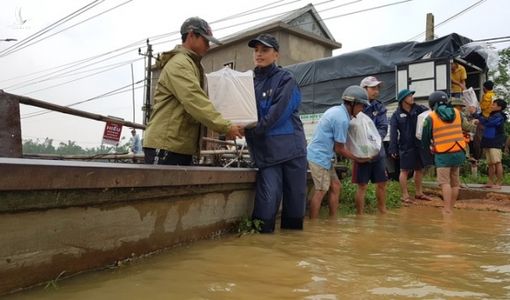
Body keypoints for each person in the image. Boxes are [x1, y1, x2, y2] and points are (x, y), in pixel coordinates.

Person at [143, 17, 242, 165]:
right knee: (164, 188)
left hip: (178, 145)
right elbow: (195, 100)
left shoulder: (191, 64)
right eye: (205, 40)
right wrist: (226, 126)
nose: (208, 46)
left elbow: (199, 101)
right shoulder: (180, 64)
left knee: (177, 189)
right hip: (166, 145)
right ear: (191, 35)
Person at [243, 33, 308, 233]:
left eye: (265, 50)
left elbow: (278, 114)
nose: (259, 54)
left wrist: (250, 129)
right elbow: (243, 111)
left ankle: (291, 249)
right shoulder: (249, 83)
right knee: (268, 200)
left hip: (292, 152)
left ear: (276, 55)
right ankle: (263, 247)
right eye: (256, 50)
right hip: (267, 153)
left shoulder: (286, 79)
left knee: (295, 202)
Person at [307, 86, 371, 219]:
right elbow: (339, 148)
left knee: (336, 186)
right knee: (320, 191)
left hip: (323, 156)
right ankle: (313, 225)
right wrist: (358, 159)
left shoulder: (338, 111)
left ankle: (333, 220)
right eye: (361, 106)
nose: (362, 110)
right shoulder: (341, 119)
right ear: (353, 104)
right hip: (319, 157)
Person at [421, 91, 466, 214]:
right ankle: (451, 207)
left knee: (444, 182)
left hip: (443, 153)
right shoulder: (457, 113)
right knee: (455, 182)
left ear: (432, 103)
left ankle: (446, 210)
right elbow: (463, 127)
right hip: (459, 151)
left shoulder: (431, 117)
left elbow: (425, 138)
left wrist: (426, 150)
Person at [389, 89, 433, 206]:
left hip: (419, 144)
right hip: (405, 146)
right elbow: (393, 133)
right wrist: (393, 148)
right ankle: (405, 195)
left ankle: (419, 193)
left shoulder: (419, 109)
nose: (412, 98)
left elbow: (430, 114)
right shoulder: (396, 115)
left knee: (419, 169)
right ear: (403, 99)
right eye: (409, 96)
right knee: (404, 170)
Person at [353, 76, 388, 215]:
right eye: (373, 88)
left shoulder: (380, 107)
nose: (376, 91)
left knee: (382, 183)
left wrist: (374, 143)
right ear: (363, 89)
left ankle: (383, 212)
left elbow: (383, 127)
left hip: (378, 152)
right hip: (360, 152)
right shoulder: (355, 105)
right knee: (362, 186)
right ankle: (359, 215)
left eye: (377, 88)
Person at [476, 99, 508, 189]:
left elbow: (487, 123)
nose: (491, 106)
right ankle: (490, 182)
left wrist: (476, 115)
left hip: (495, 142)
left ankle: (498, 183)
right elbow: (486, 121)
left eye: (494, 104)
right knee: (490, 163)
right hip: (488, 141)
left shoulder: (499, 116)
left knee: (497, 162)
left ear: (499, 107)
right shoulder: (493, 115)